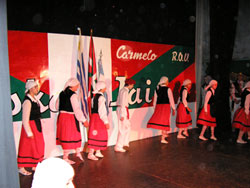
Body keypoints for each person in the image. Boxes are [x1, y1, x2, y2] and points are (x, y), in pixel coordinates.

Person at [56, 78, 89, 164]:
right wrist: (84, 120)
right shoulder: (73, 95)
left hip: (62, 117)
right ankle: (66, 157)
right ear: (73, 86)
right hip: (70, 118)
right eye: (77, 86)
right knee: (70, 136)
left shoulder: (62, 93)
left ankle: (77, 153)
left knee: (67, 136)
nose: (78, 88)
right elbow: (77, 109)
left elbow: (57, 106)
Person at [17, 79, 45, 176]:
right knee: (26, 147)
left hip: (36, 125)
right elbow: (25, 119)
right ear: (30, 89)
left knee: (37, 146)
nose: (37, 88)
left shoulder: (34, 99)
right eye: (35, 87)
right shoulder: (27, 101)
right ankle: (21, 167)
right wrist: (29, 132)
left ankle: (35, 165)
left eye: (37, 86)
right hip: (30, 126)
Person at [147, 76, 176, 144]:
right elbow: (171, 99)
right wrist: (174, 108)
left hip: (159, 106)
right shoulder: (168, 89)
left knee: (162, 121)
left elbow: (155, 100)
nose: (168, 82)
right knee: (165, 121)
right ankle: (163, 137)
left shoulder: (157, 89)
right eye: (167, 81)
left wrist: (155, 108)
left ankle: (164, 133)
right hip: (165, 107)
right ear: (165, 81)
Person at [87, 81, 110, 160]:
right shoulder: (101, 98)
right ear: (101, 88)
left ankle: (98, 151)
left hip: (94, 117)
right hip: (98, 118)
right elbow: (102, 110)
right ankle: (90, 153)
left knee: (97, 134)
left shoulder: (95, 97)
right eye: (104, 87)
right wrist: (106, 121)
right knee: (97, 134)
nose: (105, 88)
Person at [114, 78, 136, 152]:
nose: (132, 86)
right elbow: (122, 104)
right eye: (132, 85)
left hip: (122, 110)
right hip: (122, 110)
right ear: (129, 84)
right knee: (122, 129)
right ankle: (119, 146)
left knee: (127, 127)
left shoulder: (122, 90)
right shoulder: (124, 92)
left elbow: (118, 102)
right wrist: (122, 115)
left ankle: (124, 143)